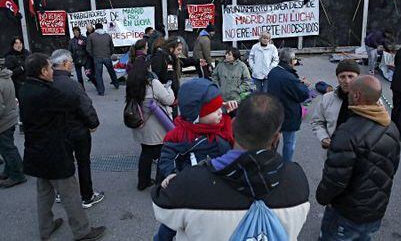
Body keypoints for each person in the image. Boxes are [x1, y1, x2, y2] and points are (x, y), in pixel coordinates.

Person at [152, 93, 310, 241]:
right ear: (277, 136)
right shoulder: (297, 181)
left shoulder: (189, 184)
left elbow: (163, 211)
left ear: (233, 126)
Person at [19, 53, 106, 241]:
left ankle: (46, 228)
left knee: (44, 193)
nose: (53, 71)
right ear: (43, 71)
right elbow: (74, 102)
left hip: (35, 151)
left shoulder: (26, 89)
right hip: (55, 152)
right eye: (50, 68)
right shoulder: (50, 93)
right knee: (70, 194)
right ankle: (83, 232)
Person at [316, 75, 400, 241]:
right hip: (375, 209)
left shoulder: (348, 133)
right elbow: (392, 166)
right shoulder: (391, 127)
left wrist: (322, 197)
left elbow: (335, 179)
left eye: (350, 93)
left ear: (356, 96)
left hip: (347, 212)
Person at [154, 78, 237, 240]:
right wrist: (170, 173)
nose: (221, 112)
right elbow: (167, 154)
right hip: (191, 187)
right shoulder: (183, 136)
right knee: (173, 221)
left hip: (218, 186)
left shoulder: (221, 125)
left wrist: (232, 112)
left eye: (221, 107)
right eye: (215, 110)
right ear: (196, 116)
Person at [50, 50, 104, 208]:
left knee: (62, 162)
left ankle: (61, 193)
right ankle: (87, 196)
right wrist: (93, 124)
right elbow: (85, 106)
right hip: (77, 130)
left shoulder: (47, 82)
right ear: (65, 63)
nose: (73, 64)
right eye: (71, 61)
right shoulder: (72, 85)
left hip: (57, 131)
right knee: (83, 162)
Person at [126, 55, 175, 191]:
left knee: (146, 154)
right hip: (155, 127)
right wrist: (169, 87)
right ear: (147, 68)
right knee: (161, 155)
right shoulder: (153, 83)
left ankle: (143, 181)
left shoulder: (132, 82)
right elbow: (169, 100)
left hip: (140, 123)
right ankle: (160, 183)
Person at [267, 48, 309, 162]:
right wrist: (304, 85)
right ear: (291, 61)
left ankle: (269, 161)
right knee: (289, 143)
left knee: (272, 141)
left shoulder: (273, 72)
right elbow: (304, 95)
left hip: (274, 113)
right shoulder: (289, 77)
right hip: (288, 114)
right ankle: (286, 165)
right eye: (294, 59)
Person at [311, 60, 360, 149]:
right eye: (342, 77)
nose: (347, 81)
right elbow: (317, 122)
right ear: (337, 78)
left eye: (351, 76)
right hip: (333, 151)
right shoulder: (327, 99)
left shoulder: (370, 99)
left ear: (358, 77)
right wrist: (323, 137)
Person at [0, 57, 26, 188]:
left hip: (3, 121)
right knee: (7, 148)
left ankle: (17, 175)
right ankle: (9, 171)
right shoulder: (6, 77)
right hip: (9, 117)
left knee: (7, 149)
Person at [86, 23, 119, 96]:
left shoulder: (91, 36)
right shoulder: (107, 35)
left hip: (97, 58)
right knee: (111, 71)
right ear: (102, 27)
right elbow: (112, 47)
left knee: (98, 75)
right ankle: (116, 84)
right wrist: (110, 54)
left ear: (95, 28)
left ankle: (101, 91)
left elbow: (88, 49)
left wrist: (93, 55)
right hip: (107, 57)